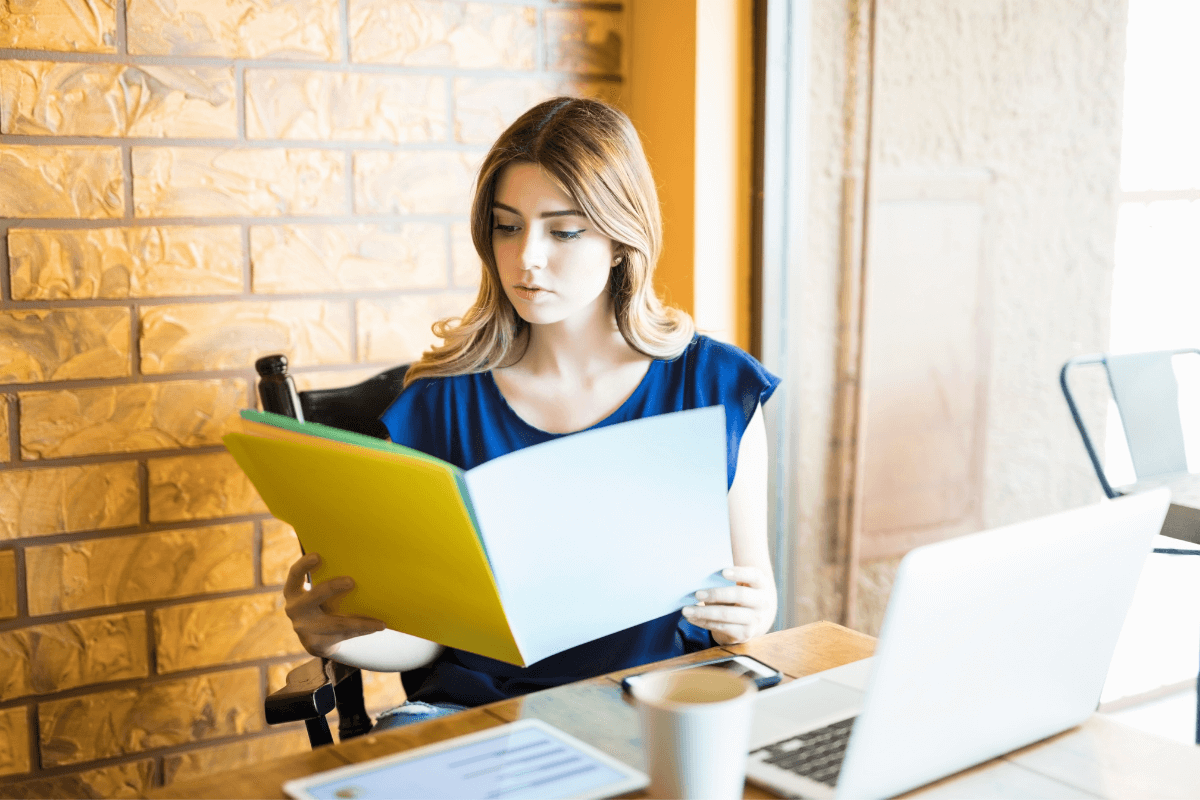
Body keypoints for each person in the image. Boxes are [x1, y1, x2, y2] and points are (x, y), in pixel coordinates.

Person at [283, 96, 780, 729]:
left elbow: (752, 596)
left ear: (623, 239)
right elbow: (427, 638)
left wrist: (752, 612)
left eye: (564, 230)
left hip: (661, 708)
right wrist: (332, 636)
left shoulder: (714, 385)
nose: (527, 258)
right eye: (507, 226)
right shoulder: (439, 403)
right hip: (481, 715)